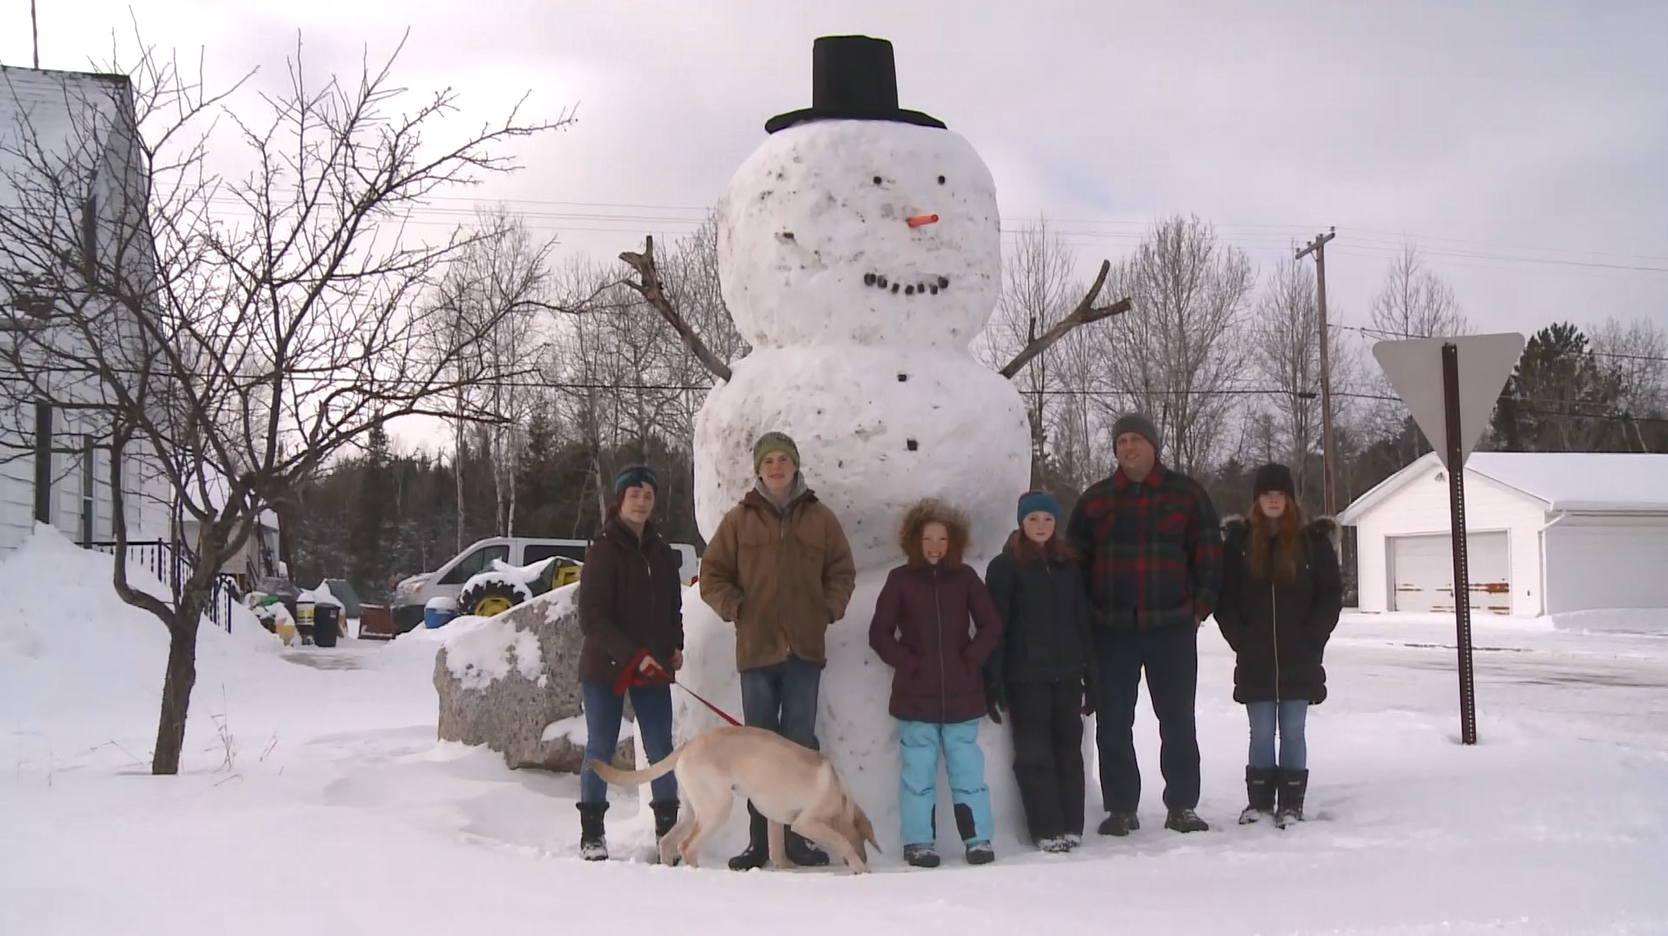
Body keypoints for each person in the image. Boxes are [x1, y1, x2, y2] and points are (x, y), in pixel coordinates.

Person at [698, 431, 857, 870]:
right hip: (757, 652)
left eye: (783, 459)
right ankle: (759, 842)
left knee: (800, 747)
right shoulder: (739, 520)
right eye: (768, 461)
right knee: (758, 754)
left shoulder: (820, 518)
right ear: (758, 469)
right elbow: (711, 574)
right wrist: (736, 608)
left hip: (805, 651)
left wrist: (828, 608)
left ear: (795, 465)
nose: (776, 467)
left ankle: (798, 839)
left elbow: (842, 570)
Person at [1066, 413, 1223, 835]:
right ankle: (1120, 807)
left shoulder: (1186, 495)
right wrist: (1084, 618)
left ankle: (1182, 805)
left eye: (1136, 440)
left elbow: (1209, 553)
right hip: (1111, 630)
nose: (1128, 448)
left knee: (1176, 720)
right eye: (1121, 442)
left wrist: (1199, 607)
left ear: (1153, 446)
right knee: (1114, 721)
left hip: (1170, 626)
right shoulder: (1095, 501)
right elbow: (1074, 565)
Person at [869, 498, 1004, 868]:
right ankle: (918, 843)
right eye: (928, 539)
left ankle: (977, 839)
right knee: (917, 774)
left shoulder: (965, 579)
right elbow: (879, 633)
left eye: (942, 539)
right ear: (915, 540)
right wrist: (908, 662)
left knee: (968, 772)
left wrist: (970, 660)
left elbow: (991, 625)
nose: (935, 547)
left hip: (962, 697)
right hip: (915, 699)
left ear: (953, 541)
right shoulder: (900, 580)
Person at [1215, 463, 1342, 828]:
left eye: (1280, 495)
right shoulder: (1238, 544)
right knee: (1260, 731)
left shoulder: (1312, 544)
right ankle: (1258, 803)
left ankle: (1291, 803)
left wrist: (1313, 637)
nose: (1273, 501)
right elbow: (1225, 598)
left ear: (1289, 499)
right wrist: (1240, 637)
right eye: (1267, 495)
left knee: (1293, 730)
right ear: (1257, 500)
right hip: (1255, 658)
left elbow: (1330, 596)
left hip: (1298, 657)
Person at [575, 465, 687, 861]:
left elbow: (673, 607)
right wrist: (631, 656)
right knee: (600, 748)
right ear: (619, 501)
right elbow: (592, 618)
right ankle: (592, 833)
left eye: (648, 496)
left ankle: (667, 835)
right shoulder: (603, 548)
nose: (641, 502)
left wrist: (675, 646)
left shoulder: (660, 550)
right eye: (633, 495)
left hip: (652, 668)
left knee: (661, 748)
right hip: (606, 668)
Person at [984, 490, 1098, 853]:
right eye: (1033, 519)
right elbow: (996, 626)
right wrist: (994, 679)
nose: (1041, 526)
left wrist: (1091, 674)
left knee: (1068, 749)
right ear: (1021, 522)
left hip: (1066, 674)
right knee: (1035, 754)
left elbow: (1082, 622)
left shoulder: (1069, 565)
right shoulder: (1004, 567)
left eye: (1047, 519)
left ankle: (1072, 824)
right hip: (1026, 675)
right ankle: (1046, 828)